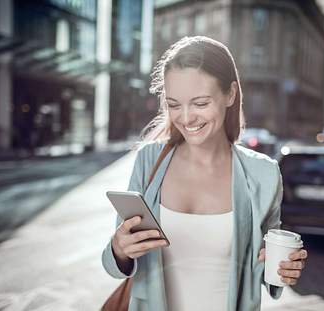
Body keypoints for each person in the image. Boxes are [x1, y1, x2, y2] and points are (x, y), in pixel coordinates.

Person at [102, 36, 308, 311]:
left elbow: (263, 266)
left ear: (231, 94)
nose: (186, 118)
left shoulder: (264, 173)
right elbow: (117, 263)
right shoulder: (148, 160)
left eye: (200, 103)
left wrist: (284, 268)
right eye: (174, 104)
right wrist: (119, 249)